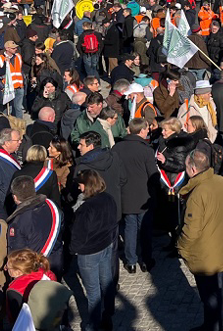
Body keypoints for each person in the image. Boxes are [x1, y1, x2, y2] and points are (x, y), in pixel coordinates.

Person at [178, 147, 223, 331]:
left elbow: (191, 230)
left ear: (192, 169)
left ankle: (213, 327)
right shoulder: (221, 182)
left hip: (204, 255)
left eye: (186, 168)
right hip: (219, 248)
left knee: (209, 296)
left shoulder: (198, 193)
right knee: (216, 292)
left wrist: (181, 247)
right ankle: (213, 324)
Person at [70, 168, 119, 331]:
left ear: (88, 185)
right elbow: (114, 221)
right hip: (106, 245)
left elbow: (79, 234)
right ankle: (108, 315)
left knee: (92, 291)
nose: (79, 187)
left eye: (81, 185)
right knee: (107, 282)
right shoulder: (109, 198)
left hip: (89, 252)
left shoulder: (87, 207)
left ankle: (94, 324)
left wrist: (72, 249)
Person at [112, 118, 158, 274]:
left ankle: (130, 262)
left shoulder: (117, 148)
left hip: (125, 194)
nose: (148, 131)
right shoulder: (146, 150)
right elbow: (153, 175)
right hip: (143, 195)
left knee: (129, 229)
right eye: (146, 129)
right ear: (141, 131)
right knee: (145, 229)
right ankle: (146, 260)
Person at [7, 175, 65, 276]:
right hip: (55, 261)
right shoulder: (52, 207)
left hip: (32, 270)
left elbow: (17, 252)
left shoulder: (17, 222)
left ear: (15, 197)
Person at [3, 248, 71, 329]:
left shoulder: (15, 289)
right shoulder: (48, 274)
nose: (5, 269)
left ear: (18, 271)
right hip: (52, 321)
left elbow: (16, 318)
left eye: (8, 267)